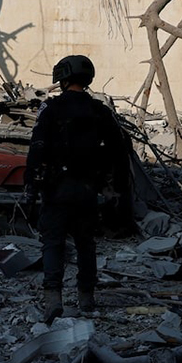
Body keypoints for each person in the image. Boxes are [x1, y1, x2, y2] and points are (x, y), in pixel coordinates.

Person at [24, 55, 127, 323]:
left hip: (56, 188)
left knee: (53, 243)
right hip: (87, 190)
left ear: (62, 78)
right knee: (86, 243)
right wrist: (112, 188)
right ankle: (86, 298)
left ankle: (53, 299)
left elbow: (37, 147)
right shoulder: (99, 110)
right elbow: (118, 151)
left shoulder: (51, 108)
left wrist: (31, 185)